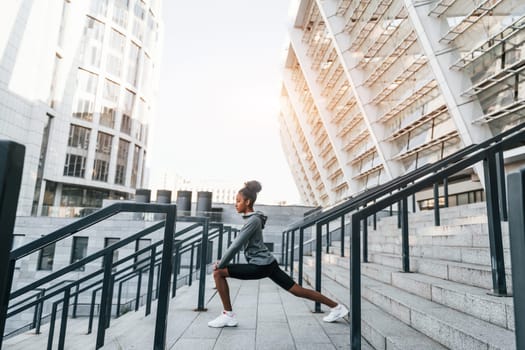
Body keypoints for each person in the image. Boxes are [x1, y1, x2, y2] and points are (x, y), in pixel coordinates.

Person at [208, 180, 348, 328]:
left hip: (260, 266)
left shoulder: (252, 220)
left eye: (238, 201)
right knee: (297, 290)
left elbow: (236, 245)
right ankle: (337, 307)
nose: (235, 204)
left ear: (247, 202)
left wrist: (221, 264)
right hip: (268, 263)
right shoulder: (254, 219)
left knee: (218, 273)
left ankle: (228, 315)